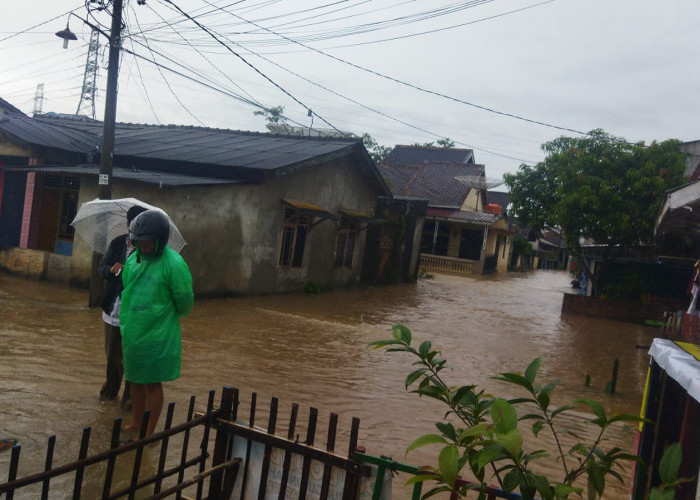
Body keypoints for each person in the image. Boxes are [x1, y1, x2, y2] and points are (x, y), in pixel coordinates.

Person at [119, 209, 193, 437]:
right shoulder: (134, 259)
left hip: (157, 334)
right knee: (135, 380)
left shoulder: (174, 264)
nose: (143, 246)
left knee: (152, 384)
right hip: (133, 331)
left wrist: (162, 316)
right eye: (139, 242)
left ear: (160, 240)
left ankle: (149, 432)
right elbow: (127, 286)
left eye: (148, 242)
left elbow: (185, 301)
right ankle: (136, 423)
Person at [97, 205, 148, 409]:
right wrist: (111, 269)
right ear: (128, 225)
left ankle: (129, 403)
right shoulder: (118, 243)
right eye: (135, 225)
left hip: (136, 315)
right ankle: (108, 396)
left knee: (133, 361)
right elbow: (101, 268)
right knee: (113, 359)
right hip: (113, 311)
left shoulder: (148, 250)